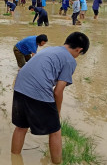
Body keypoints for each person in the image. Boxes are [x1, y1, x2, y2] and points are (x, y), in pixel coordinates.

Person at [11, 32, 90, 164]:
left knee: (21, 127)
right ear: (79, 49)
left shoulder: (50, 49)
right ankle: (57, 162)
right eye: (79, 54)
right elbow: (58, 91)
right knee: (55, 130)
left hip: (19, 86)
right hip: (36, 90)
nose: (77, 56)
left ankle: (14, 158)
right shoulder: (70, 60)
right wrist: (57, 112)